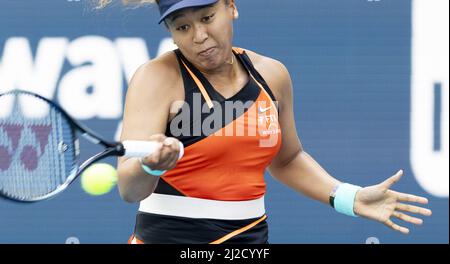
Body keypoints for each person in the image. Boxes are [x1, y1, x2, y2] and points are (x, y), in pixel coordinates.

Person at [100, 0, 432, 244]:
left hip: (251, 242)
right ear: (171, 33)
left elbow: (287, 159)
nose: (199, 35)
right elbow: (129, 189)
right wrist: (152, 166)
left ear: (231, 7)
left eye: (207, 17)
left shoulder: (272, 75)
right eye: (182, 27)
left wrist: (349, 198)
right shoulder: (156, 78)